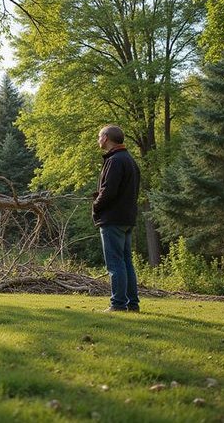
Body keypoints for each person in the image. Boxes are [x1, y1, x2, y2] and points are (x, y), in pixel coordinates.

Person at [92, 125, 141, 312]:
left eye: (99, 136)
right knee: (126, 262)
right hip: (127, 218)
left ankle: (118, 304)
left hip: (113, 219)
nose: (98, 140)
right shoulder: (129, 160)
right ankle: (132, 304)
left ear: (106, 138)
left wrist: (96, 205)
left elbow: (108, 192)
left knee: (115, 263)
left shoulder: (115, 161)